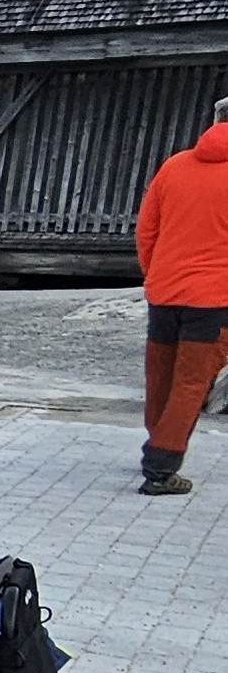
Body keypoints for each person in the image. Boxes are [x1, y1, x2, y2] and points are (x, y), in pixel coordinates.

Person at [134, 93, 228, 495]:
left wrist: (156, 273)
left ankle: (156, 443)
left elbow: (146, 230)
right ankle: (160, 467)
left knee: (161, 374)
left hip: (165, 290)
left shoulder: (174, 166)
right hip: (213, 298)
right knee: (191, 382)